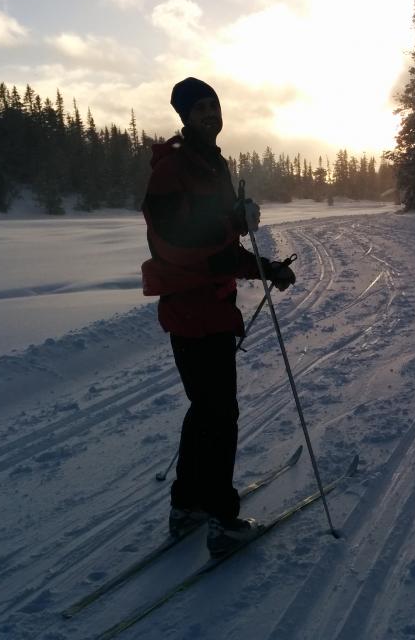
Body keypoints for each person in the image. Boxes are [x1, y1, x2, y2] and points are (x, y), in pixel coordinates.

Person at [141, 76, 296, 558]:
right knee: (219, 414)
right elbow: (176, 241)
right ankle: (223, 521)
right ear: (184, 116)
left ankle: (188, 505)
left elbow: (222, 249)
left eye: (214, 105)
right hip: (192, 311)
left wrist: (264, 267)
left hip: (212, 309)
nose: (210, 113)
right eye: (200, 108)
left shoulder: (212, 165)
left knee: (206, 410)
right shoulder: (172, 170)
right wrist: (232, 221)